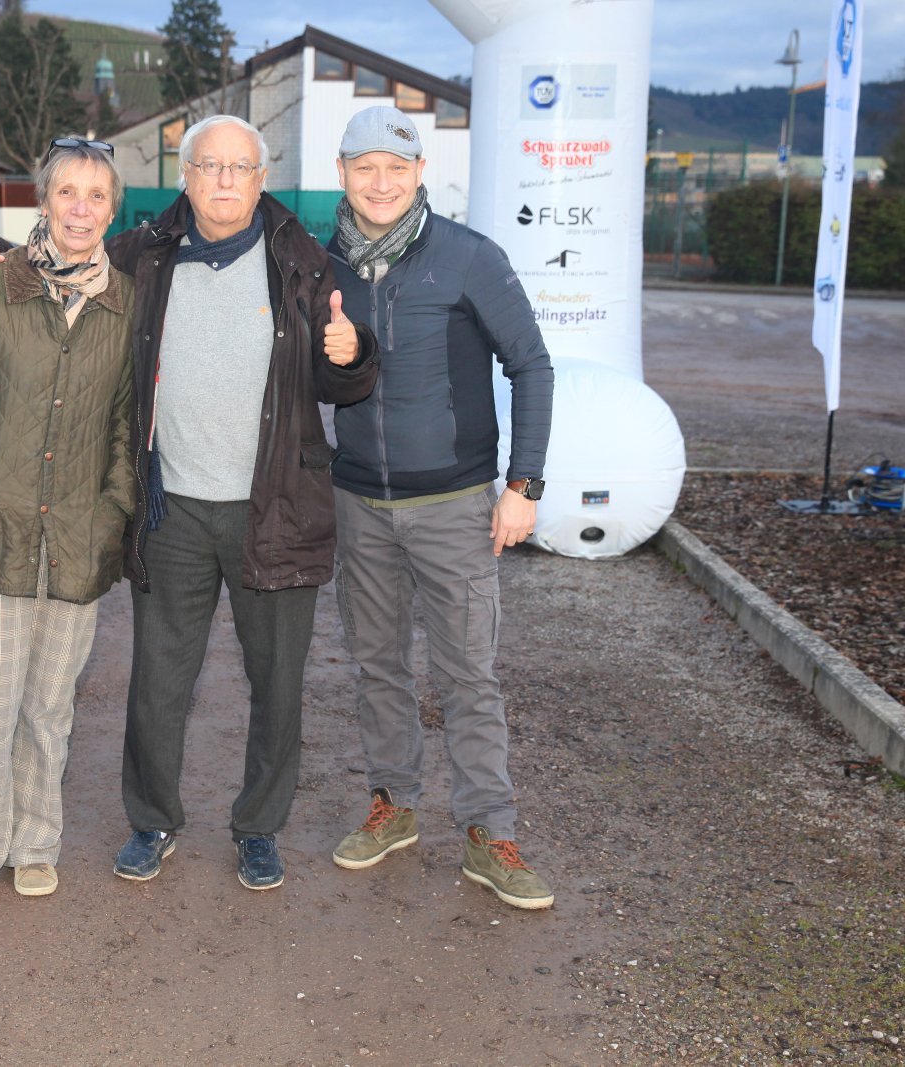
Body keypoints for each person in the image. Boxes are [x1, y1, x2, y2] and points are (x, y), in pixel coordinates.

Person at [0, 115, 377, 892]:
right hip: (170, 506)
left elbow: (343, 376)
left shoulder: (306, 263)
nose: (224, 179)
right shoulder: (140, 254)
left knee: (278, 682)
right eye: (209, 165)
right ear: (186, 175)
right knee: (158, 682)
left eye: (239, 167)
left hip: (275, 508)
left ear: (261, 178)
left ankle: (259, 828)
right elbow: (52, 251)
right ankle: (152, 821)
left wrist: (352, 355)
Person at [323, 106, 558, 910]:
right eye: (365, 167)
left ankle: (491, 832)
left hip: (455, 503)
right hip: (359, 500)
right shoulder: (323, 264)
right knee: (377, 664)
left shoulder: (468, 257)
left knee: (466, 674)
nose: (380, 182)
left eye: (396, 167)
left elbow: (532, 366)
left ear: (421, 172)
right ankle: (393, 804)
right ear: (343, 173)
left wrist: (524, 485)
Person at [0, 138, 135, 901]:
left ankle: (35, 840)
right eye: (67, 191)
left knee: (49, 708)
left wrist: (114, 507)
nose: (81, 209)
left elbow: (126, 423)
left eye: (96, 195)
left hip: (77, 538)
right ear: (43, 200)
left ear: (113, 209)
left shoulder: (124, 303)